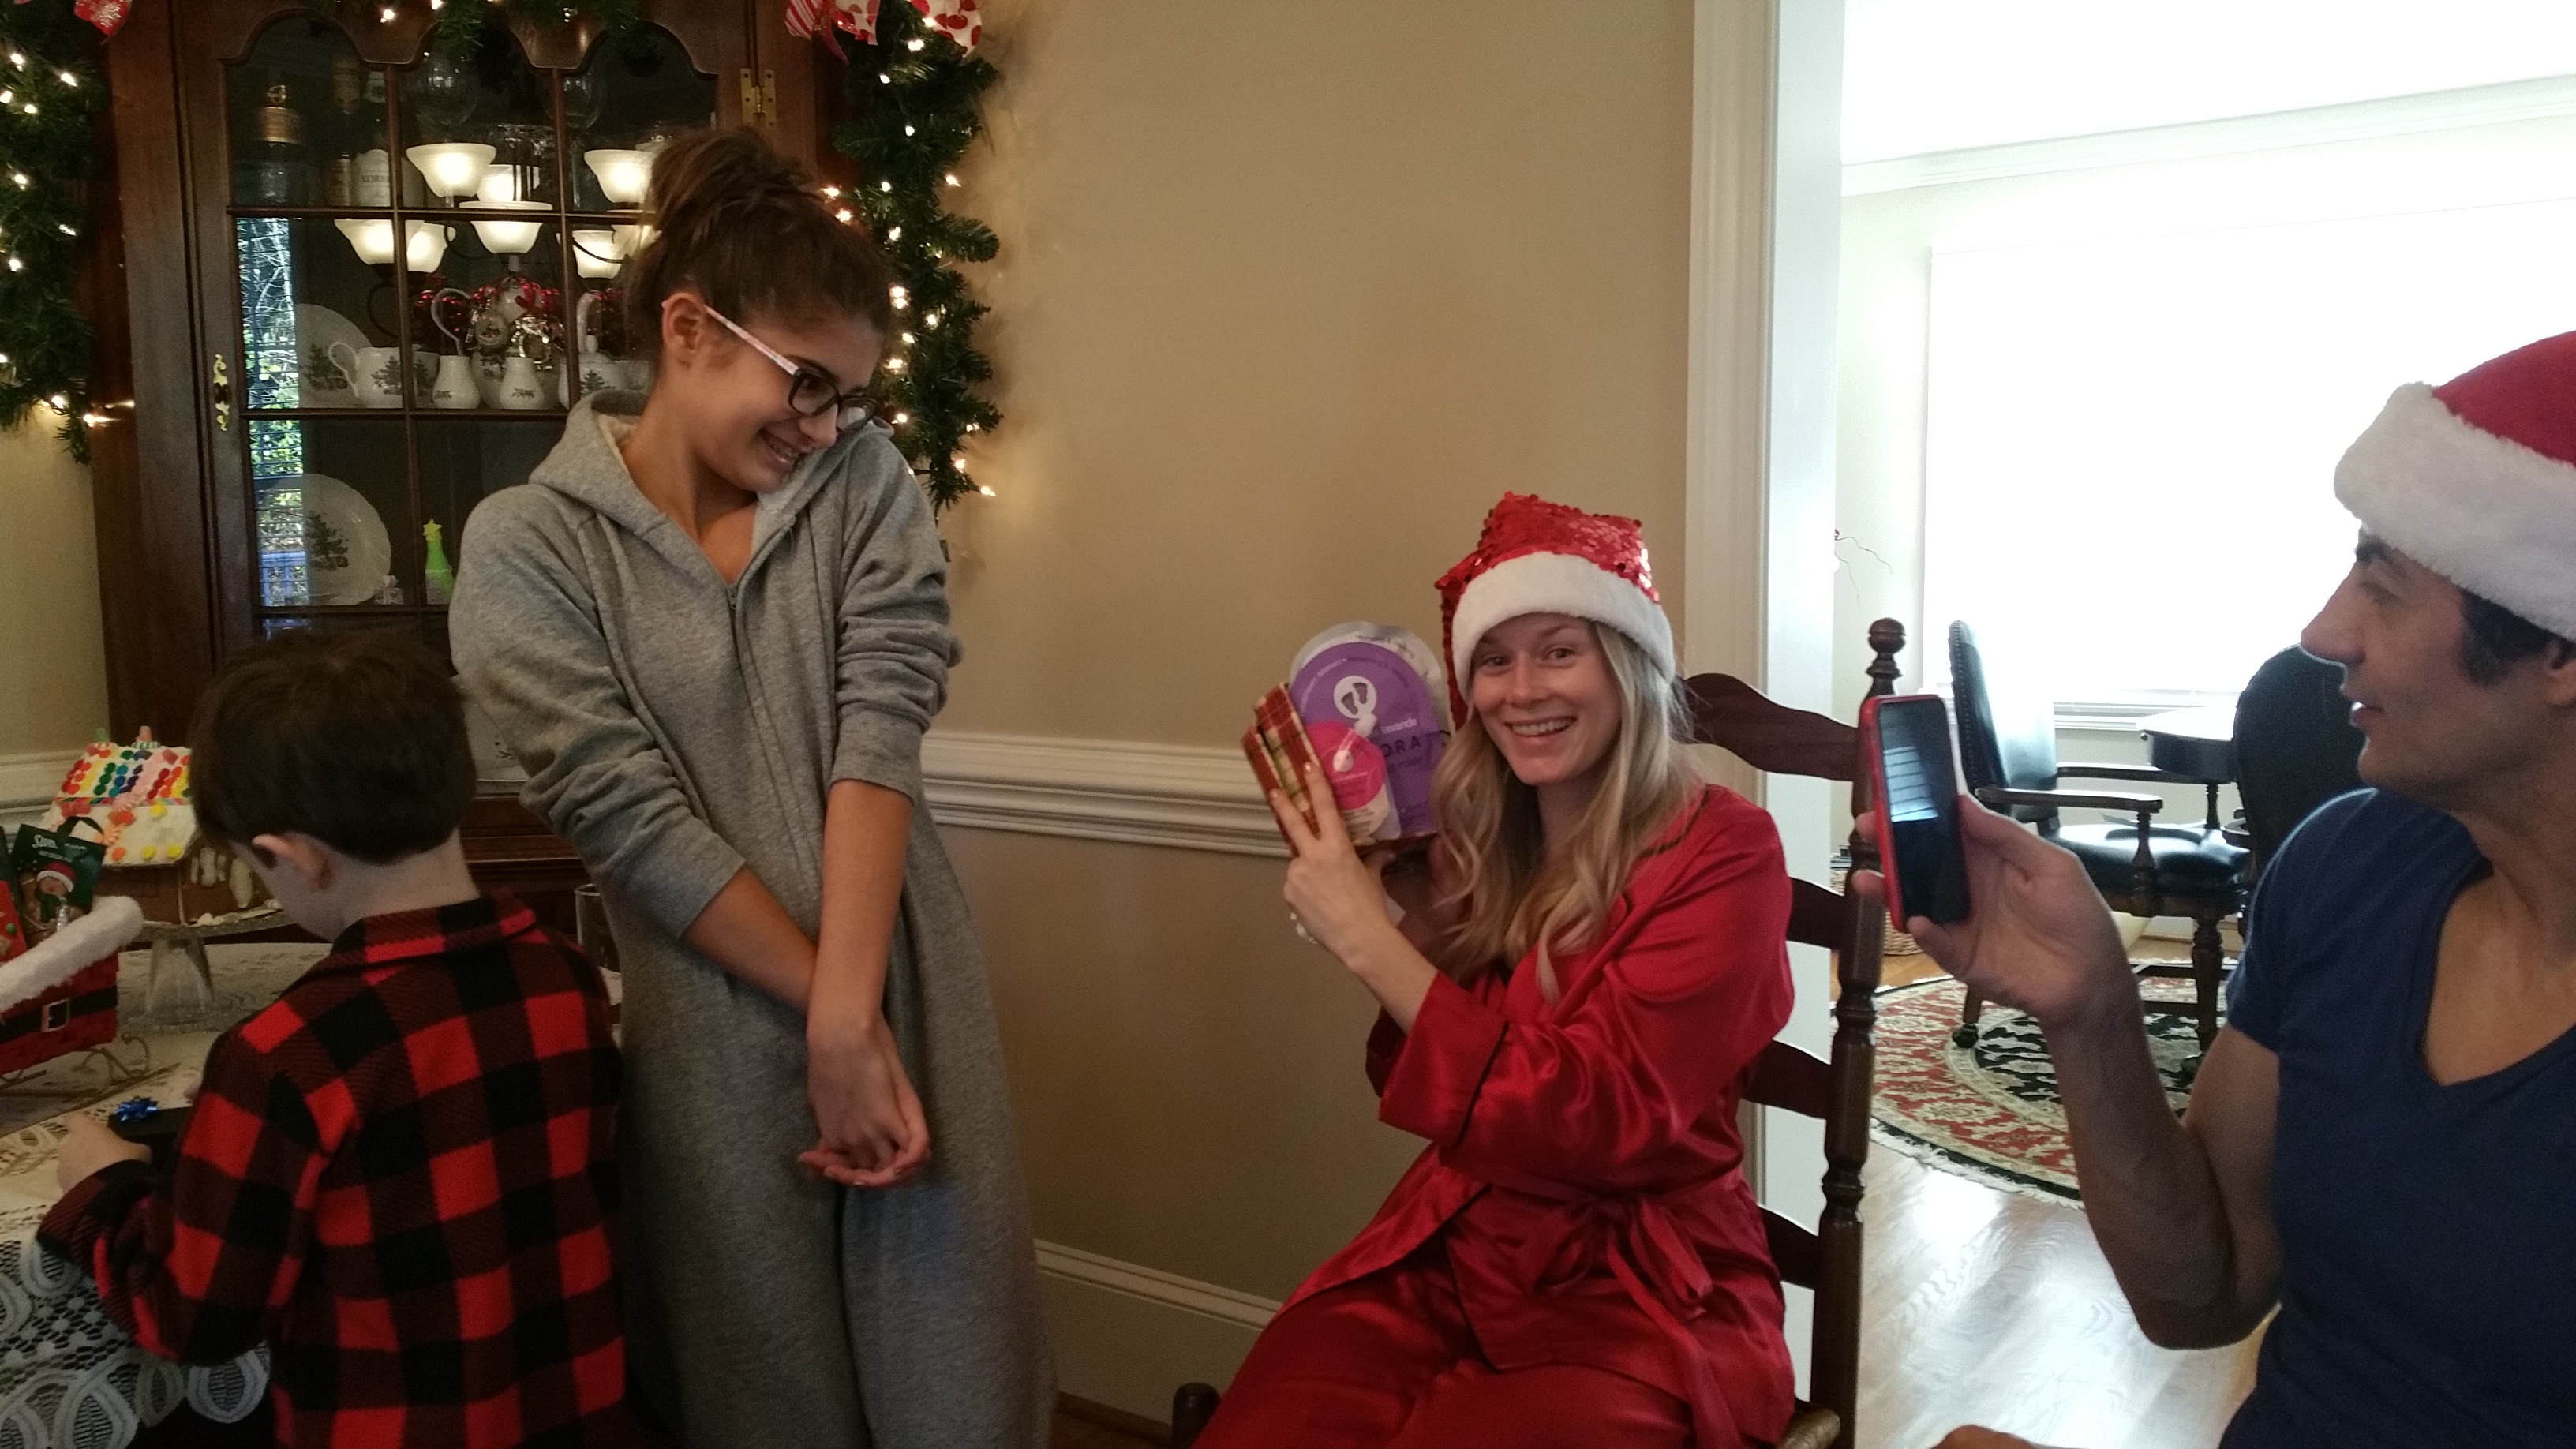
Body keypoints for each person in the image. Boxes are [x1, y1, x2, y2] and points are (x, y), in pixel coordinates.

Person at [449, 129, 1050, 1447]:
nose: (822, 427)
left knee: (956, 1385)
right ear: (687, 330)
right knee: (760, 1398)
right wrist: (830, 1020)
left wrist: (854, 1017)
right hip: (707, 1037)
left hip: (907, 987)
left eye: (848, 398)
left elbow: (880, 732)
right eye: (806, 382)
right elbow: (626, 818)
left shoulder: (860, 485)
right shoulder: (527, 548)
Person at [1914, 334, 2576, 1449]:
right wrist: (2093, 1014)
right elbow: (2202, 1291)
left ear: (2560, 650)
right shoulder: (2351, 864)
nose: (2325, 633)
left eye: (2384, 588)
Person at [1199, 494, 1798, 1449]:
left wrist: (1371, 940)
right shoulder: (1491, 837)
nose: (1522, 691)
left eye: (1559, 651)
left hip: (1639, 1294)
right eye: (1494, 660)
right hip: (1460, 1243)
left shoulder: (1728, 853)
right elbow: (1428, 1083)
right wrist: (1416, 912)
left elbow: (1601, 1120)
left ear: (1629, 666)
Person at [39, 630, 636, 1447]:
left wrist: (100, 1188)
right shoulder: (563, 974)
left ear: (293, 858)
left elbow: (194, 1313)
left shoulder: (285, 1056)